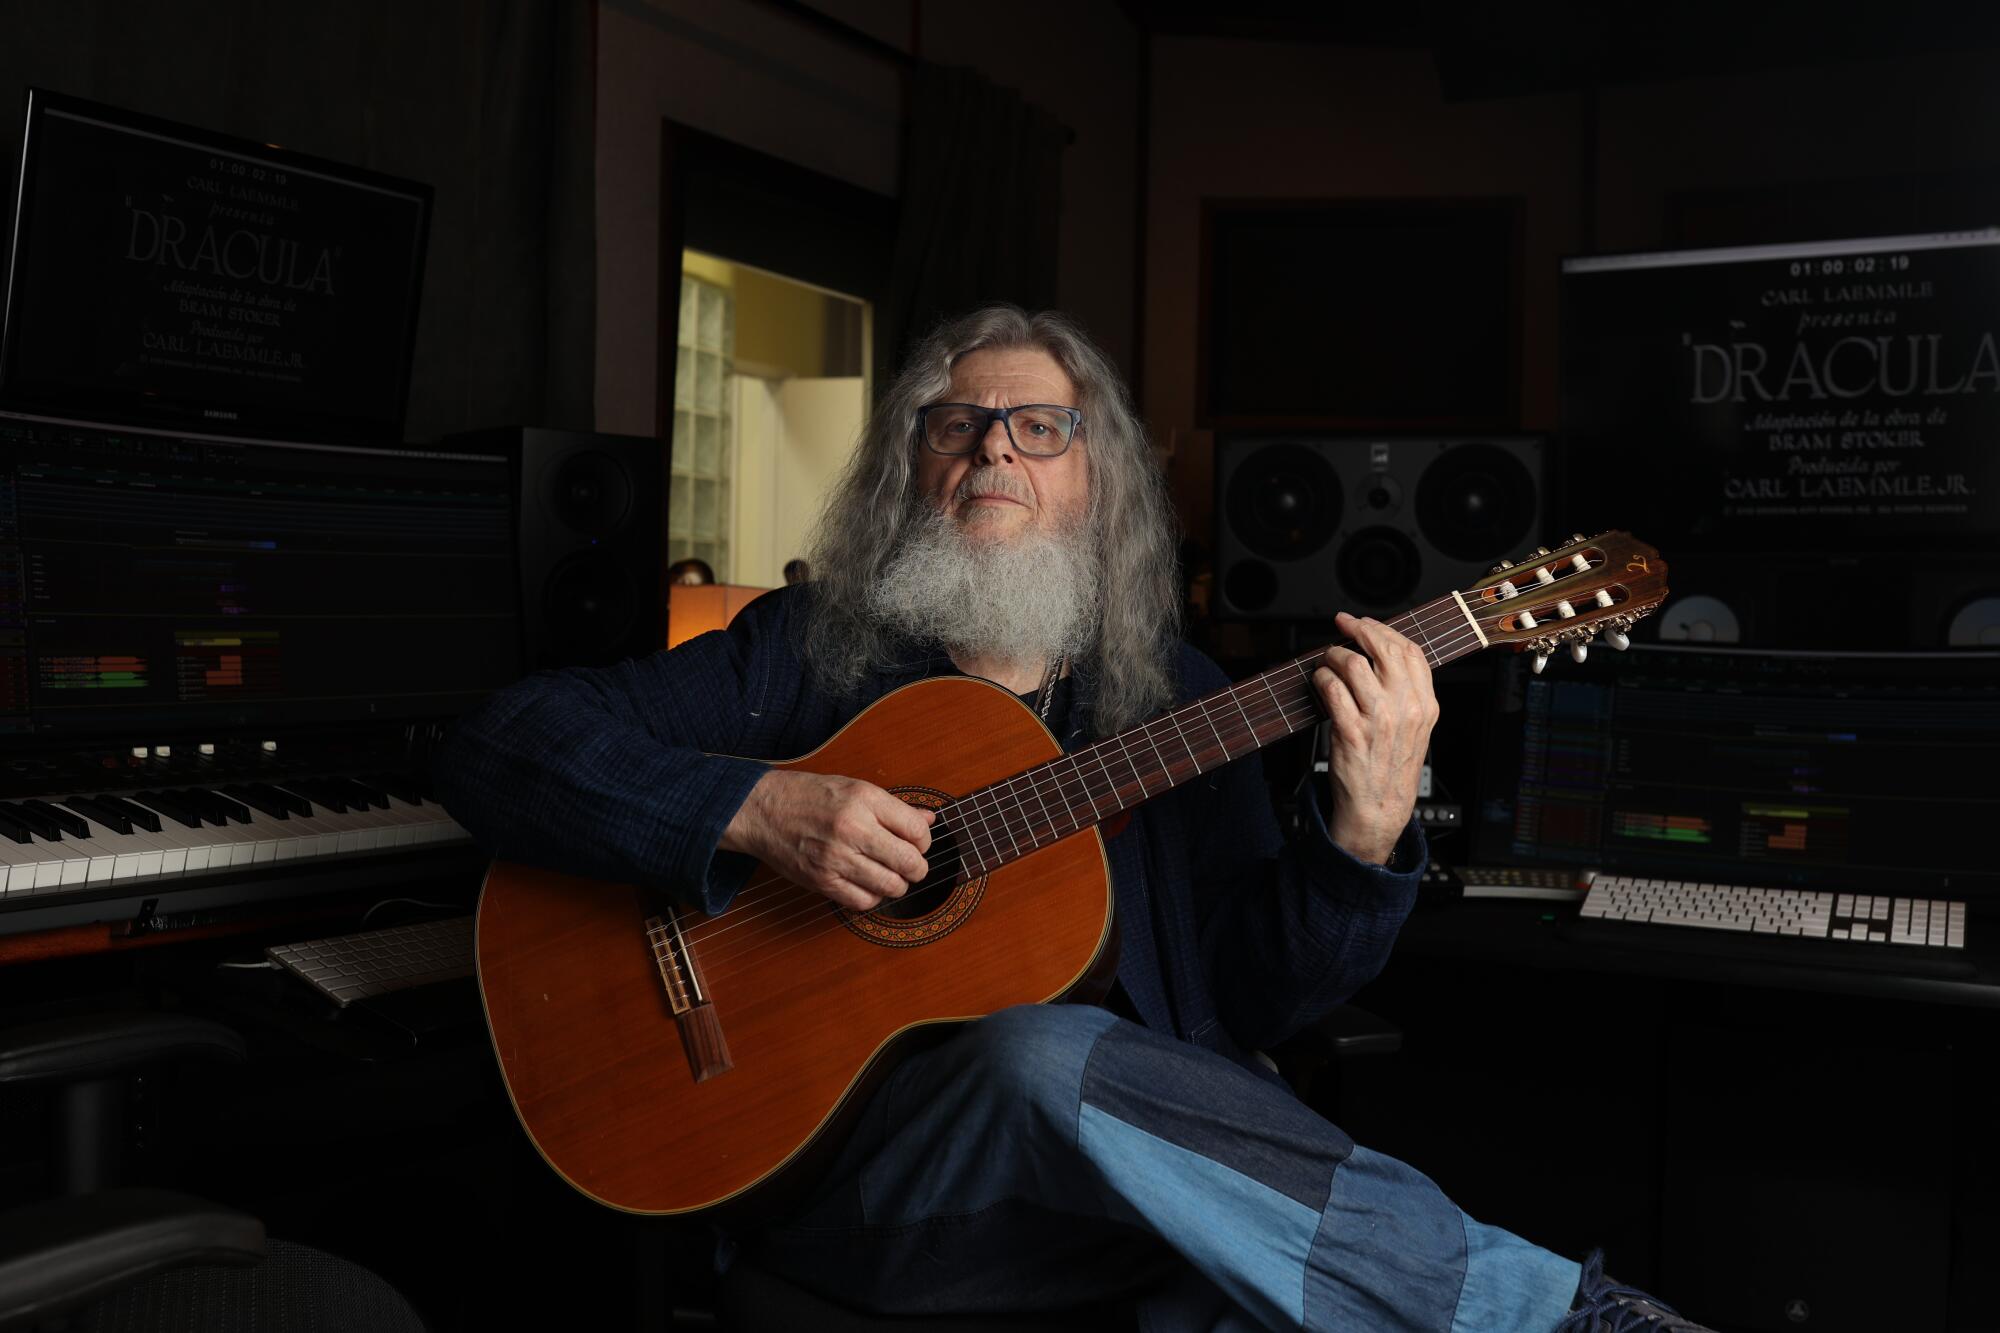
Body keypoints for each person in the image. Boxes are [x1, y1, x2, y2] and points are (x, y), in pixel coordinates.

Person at [433, 306, 1713, 1333]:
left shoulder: (1180, 700)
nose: (994, 448)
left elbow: (1254, 1003)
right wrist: (759, 806)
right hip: (855, 1191)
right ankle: (1551, 1314)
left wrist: (1360, 834)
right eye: (957, 423)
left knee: (1218, 1252)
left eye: (1039, 426)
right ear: (909, 470)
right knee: (1033, 1060)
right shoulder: (802, 654)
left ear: (1096, 485)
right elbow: (493, 743)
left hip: (1122, 1197)